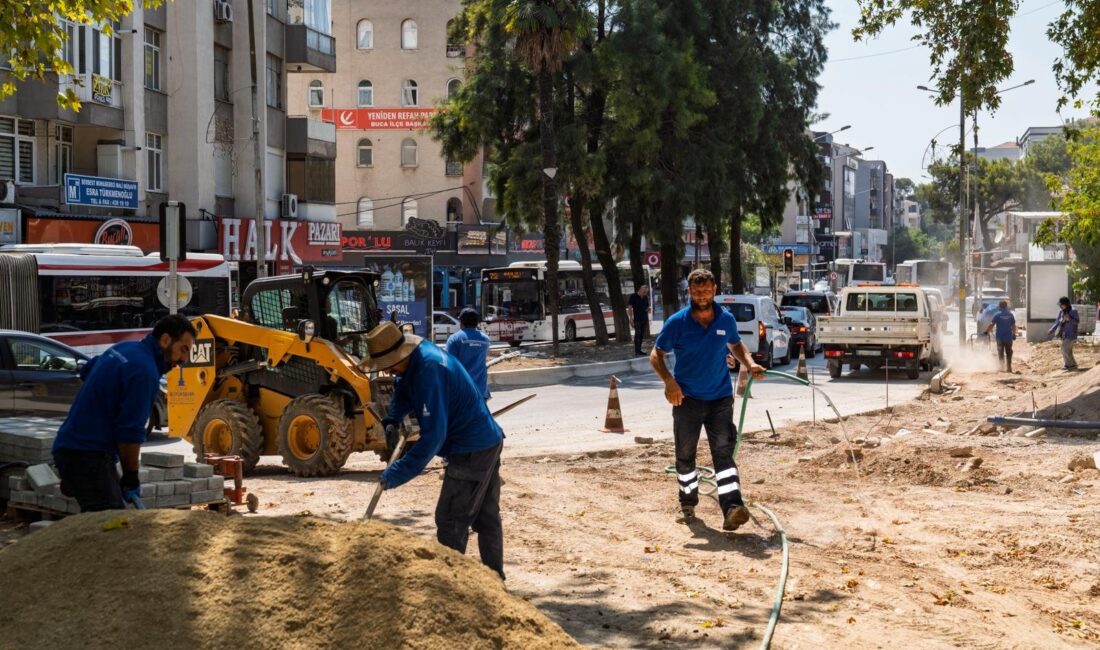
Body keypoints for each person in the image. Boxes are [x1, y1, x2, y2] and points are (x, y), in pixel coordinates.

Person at [368, 321, 506, 579]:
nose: (388, 371)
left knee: (451, 519)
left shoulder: (429, 370)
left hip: (472, 449)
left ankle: (449, 590)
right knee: (486, 517)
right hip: (487, 440)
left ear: (400, 355)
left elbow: (433, 437)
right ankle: (495, 581)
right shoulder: (415, 360)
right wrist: (392, 418)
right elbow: (402, 389)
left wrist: (398, 472)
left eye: (388, 365)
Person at [650, 268, 766, 532]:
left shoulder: (725, 320)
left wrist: (749, 363)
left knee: (723, 454)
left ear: (714, 290)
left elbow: (736, 345)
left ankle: (733, 508)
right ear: (690, 292)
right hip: (686, 400)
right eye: (696, 290)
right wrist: (669, 382)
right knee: (685, 454)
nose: (701, 295)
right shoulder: (677, 323)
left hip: (720, 399)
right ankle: (688, 503)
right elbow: (656, 355)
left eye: (706, 290)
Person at [52, 315, 197, 512]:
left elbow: (87, 371)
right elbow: (130, 432)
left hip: (68, 447)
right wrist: (130, 477)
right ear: (165, 340)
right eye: (184, 349)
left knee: (101, 518)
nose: (184, 360)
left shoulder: (123, 348)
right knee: (111, 524)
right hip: (87, 455)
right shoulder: (145, 371)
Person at [446, 308, 491, 400]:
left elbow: (449, 365)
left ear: (461, 322)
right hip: (481, 391)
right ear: (477, 322)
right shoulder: (485, 339)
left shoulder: (455, 339)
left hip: (462, 392)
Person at [1048, 297, 1080, 370]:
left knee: (1064, 348)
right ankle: (1069, 364)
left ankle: (1071, 365)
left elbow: (1077, 322)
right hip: (1064, 334)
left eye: (1061, 305)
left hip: (1071, 334)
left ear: (1066, 304)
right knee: (1067, 350)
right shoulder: (1061, 311)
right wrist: (1052, 329)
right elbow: (1057, 322)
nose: (1060, 306)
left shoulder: (1073, 311)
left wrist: (1069, 319)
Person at [987, 300, 1017, 372]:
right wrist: (1014, 333)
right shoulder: (1010, 315)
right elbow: (1013, 326)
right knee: (1009, 351)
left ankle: (1001, 367)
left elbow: (991, 325)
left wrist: (987, 331)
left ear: (999, 307)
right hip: (1008, 337)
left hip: (1000, 337)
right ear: (1006, 306)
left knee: (1000, 352)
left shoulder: (997, 315)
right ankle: (1009, 367)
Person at [627, 284, 651, 356]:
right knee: (637, 334)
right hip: (636, 319)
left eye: (646, 292)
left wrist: (648, 309)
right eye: (644, 292)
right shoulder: (633, 296)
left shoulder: (645, 297)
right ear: (640, 290)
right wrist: (631, 318)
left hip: (644, 318)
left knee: (641, 335)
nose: (645, 293)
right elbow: (630, 308)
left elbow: (647, 307)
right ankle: (636, 351)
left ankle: (639, 350)